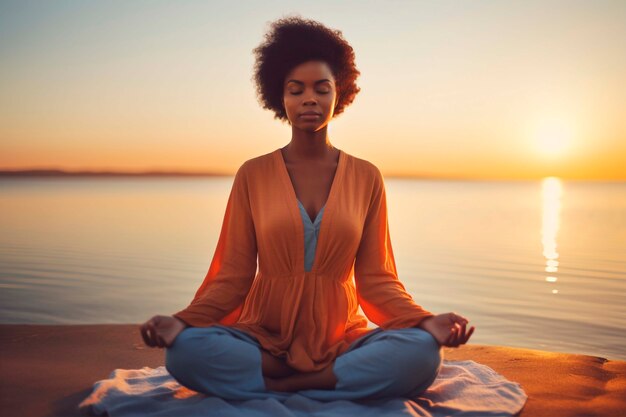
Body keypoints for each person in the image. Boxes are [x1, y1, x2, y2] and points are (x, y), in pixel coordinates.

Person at [139, 15, 474, 401]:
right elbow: (232, 276)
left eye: (322, 89)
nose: (309, 99)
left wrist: (425, 321)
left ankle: (289, 384)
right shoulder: (253, 173)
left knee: (421, 353)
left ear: (339, 94)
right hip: (263, 337)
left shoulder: (367, 177)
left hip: (341, 338)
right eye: (296, 90)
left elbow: (377, 280)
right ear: (280, 97)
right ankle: (320, 379)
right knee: (185, 352)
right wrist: (182, 322)